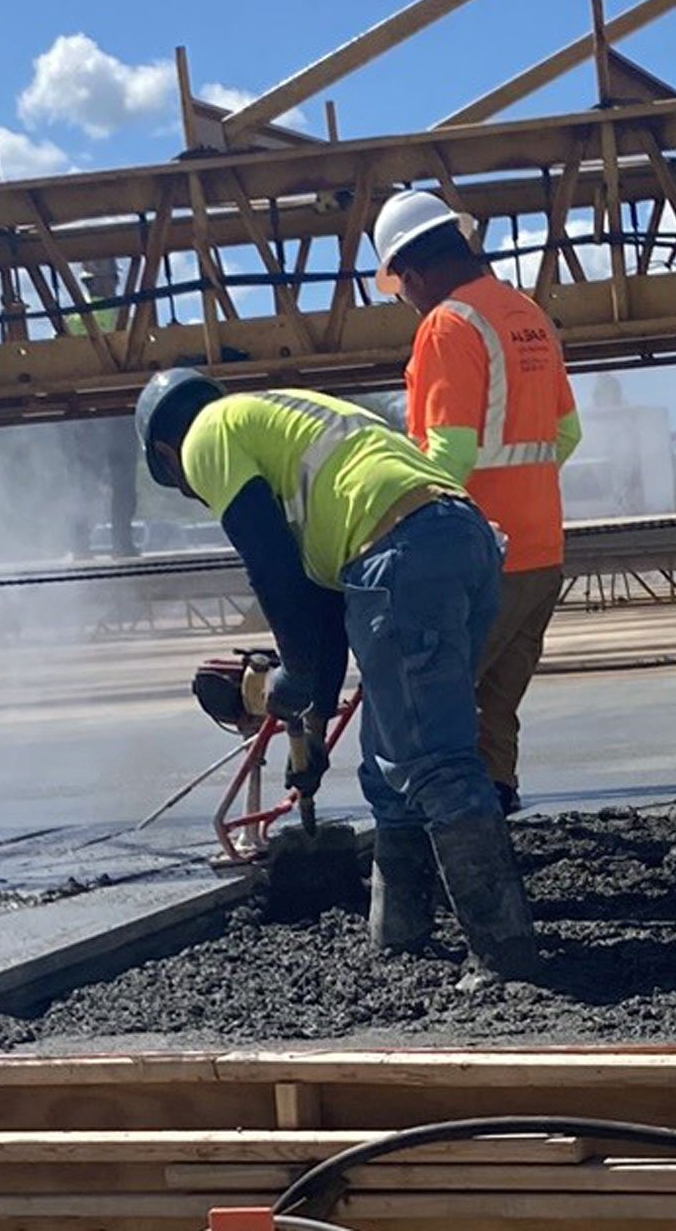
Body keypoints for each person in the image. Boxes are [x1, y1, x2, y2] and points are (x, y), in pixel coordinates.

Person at [135, 369, 540, 981]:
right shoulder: (283, 418)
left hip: (398, 550)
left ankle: (504, 953)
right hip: (462, 540)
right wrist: (312, 723)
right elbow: (321, 608)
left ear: (168, 456)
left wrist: (291, 675)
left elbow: (272, 570)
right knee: (391, 759)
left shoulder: (205, 438)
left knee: (433, 763)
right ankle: (400, 935)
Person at [371, 189, 580, 816]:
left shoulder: (448, 324)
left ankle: (436, 860)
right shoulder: (526, 316)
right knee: (495, 715)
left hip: (479, 561)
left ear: (410, 273)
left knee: (431, 715)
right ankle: (498, 850)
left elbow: (450, 454)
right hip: (541, 552)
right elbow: (567, 434)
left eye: (401, 287)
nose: (407, 301)